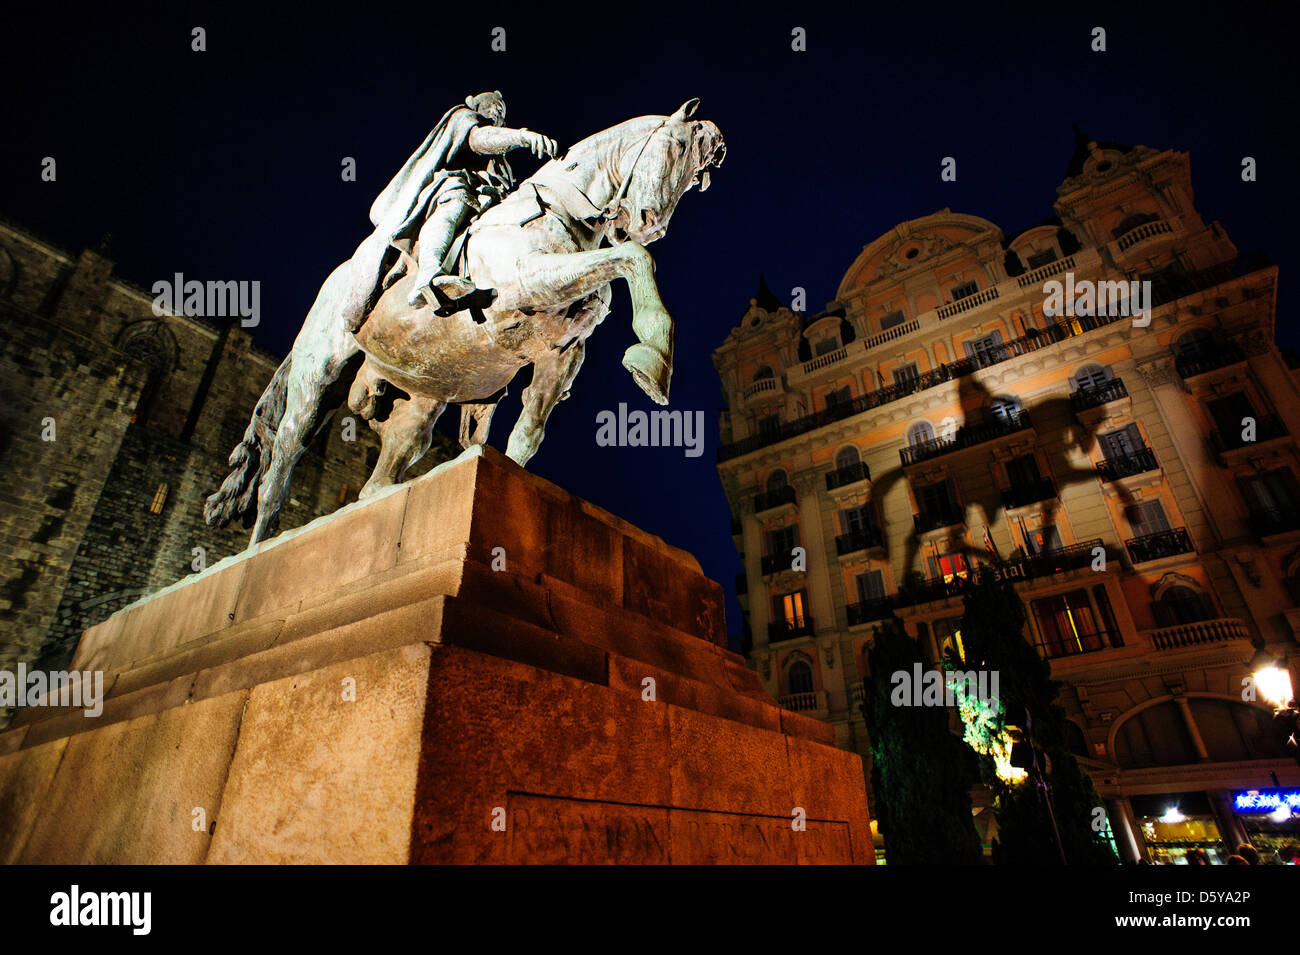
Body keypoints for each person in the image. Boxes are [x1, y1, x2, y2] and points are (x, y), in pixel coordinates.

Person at [339, 91, 559, 326]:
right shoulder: (463, 118)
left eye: (502, 110)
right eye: (494, 105)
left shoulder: (501, 162)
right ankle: (428, 274)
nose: (498, 111)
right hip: (451, 186)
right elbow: (479, 140)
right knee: (455, 201)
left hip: (485, 197)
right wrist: (523, 137)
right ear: (475, 104)